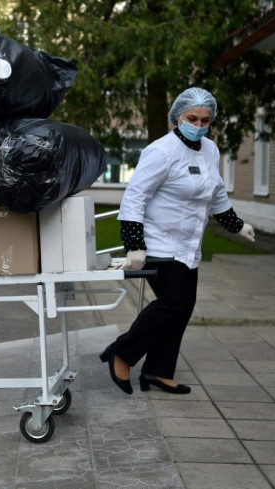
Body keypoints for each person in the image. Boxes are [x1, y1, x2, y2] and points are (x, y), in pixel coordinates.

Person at [100, 87, 256, 395]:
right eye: (192, 118)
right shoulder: (161, 151)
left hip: (189, 246)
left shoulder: (210, 150)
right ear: (177, 116)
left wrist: (238, 226)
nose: (198, 125)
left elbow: (217, 195)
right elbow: (135, 197)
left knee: (183, 308)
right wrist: (134, 243)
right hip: (158, 243)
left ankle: (157, 372)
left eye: (205, 120)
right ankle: (121, 352)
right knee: (174, 302)